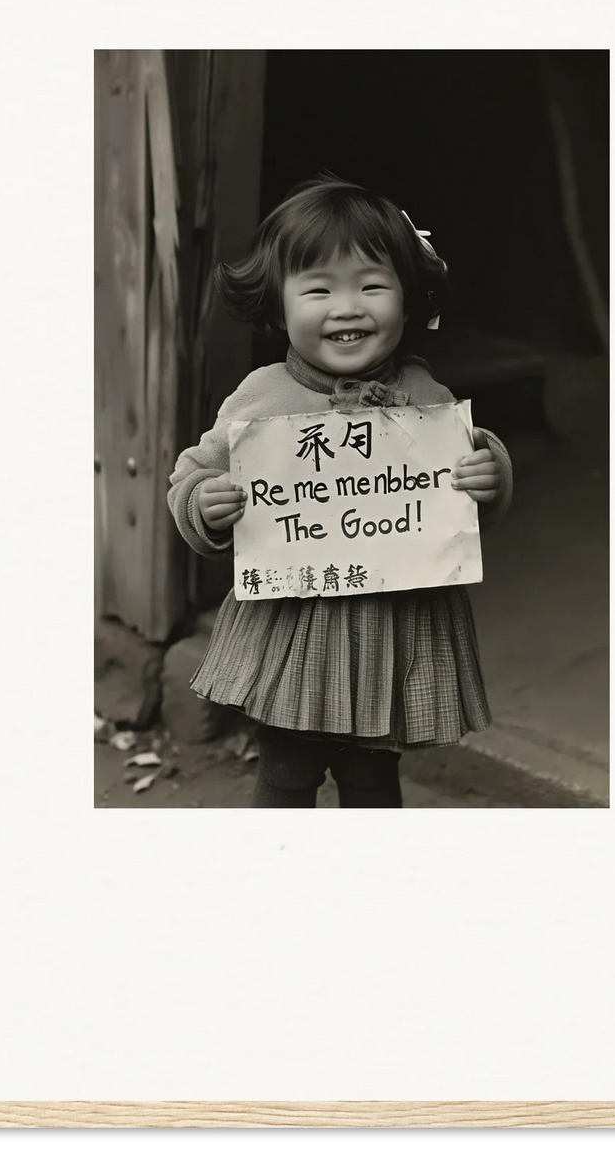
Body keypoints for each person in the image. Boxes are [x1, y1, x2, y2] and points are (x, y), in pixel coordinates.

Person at [167, 174, 513, 807]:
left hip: (392, 633)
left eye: (372, 285)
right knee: (287, 771)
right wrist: (204, 503)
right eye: (319, 288)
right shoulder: (261, 398)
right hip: (295, 631)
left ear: (407, 302)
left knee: (372, 777)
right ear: (278, 307)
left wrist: (487, 476)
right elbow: (192, 472)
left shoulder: (427, 399)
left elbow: (455, 499)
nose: (348, 306)